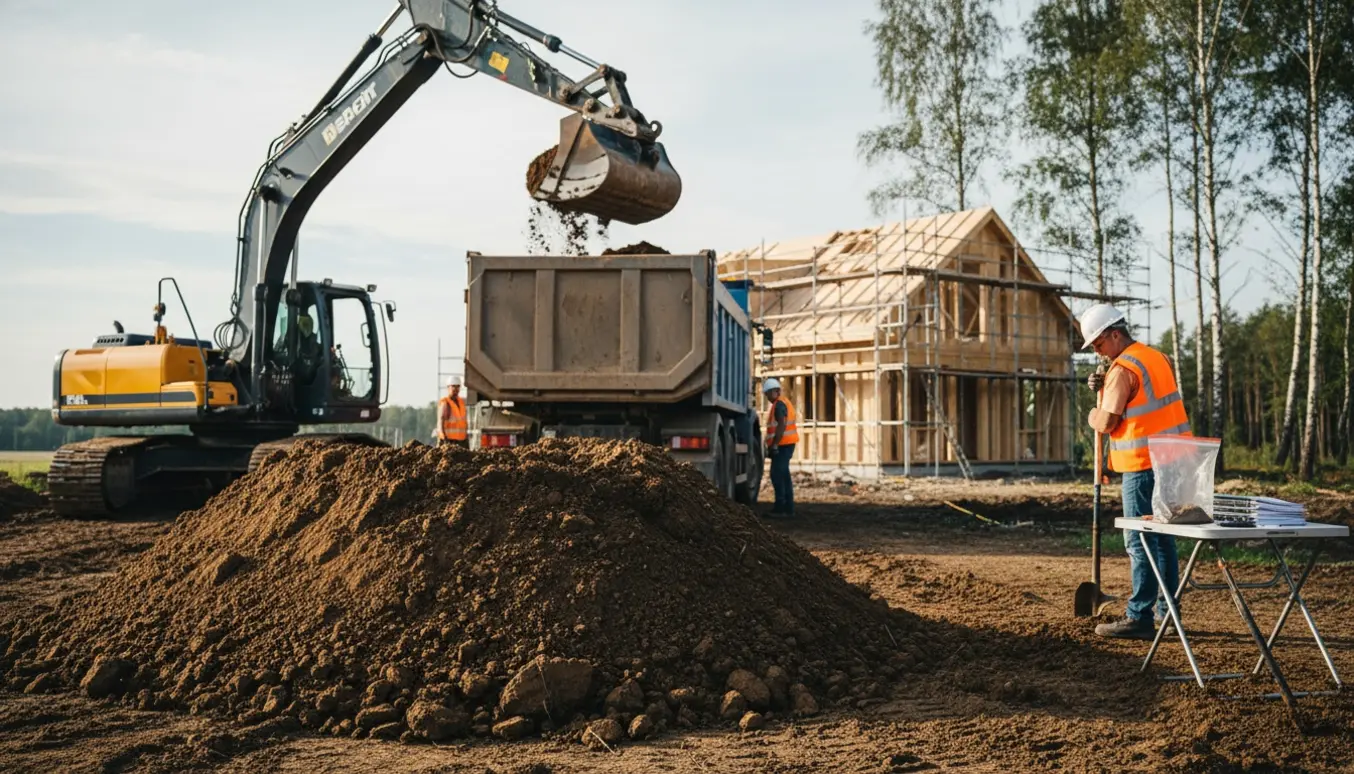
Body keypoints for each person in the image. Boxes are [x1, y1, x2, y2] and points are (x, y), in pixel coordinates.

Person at [1079, 304, 1192, 640]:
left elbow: (1108, 420)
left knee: (1140, 541)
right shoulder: (1157, 358)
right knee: (1163, 540)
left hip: (1143, 466)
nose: (1097, 352)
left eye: (1098, 345)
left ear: (1115, 334)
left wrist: (1092, 412)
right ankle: (1168, 614)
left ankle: (1139, 616)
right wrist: (1104, 380)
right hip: (1174, 462)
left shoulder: (1123, 368)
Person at [763, 377, 799, 518]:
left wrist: (775, 445)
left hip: (783, 445)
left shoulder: (779, 405)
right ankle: (787, 508)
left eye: (767, 394)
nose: (767, 397)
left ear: (774, 391)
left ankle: (782, 508)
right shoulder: (782, 403)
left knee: (778, 474)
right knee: (783, 474)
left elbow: (781, 425)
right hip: (785, 444)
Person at [436, 376, 468, 448]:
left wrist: (466, 438)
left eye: (458, 387)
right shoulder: (445, 403)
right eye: (453, 386)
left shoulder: (461, 402)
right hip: (448, 440)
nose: (455, 389)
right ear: (448, 387)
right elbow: (441, 421)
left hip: (461, 441)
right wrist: (444, 438)